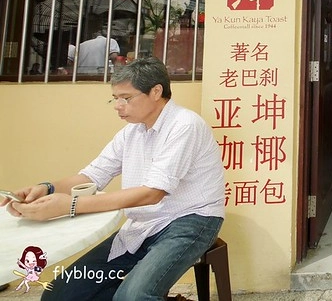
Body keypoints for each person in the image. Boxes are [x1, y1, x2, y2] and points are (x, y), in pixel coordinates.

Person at [1, 57, 225, 300]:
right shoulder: (132, 131)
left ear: (156, 91)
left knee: (132, 297)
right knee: (59, 295)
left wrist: (71, 206)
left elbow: (153, 193)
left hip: (190, 220)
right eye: (115, 98)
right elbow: (92, 175)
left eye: (126, 98)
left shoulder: (185, 125)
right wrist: (46, 188)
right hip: (142, 224)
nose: (118, 106)